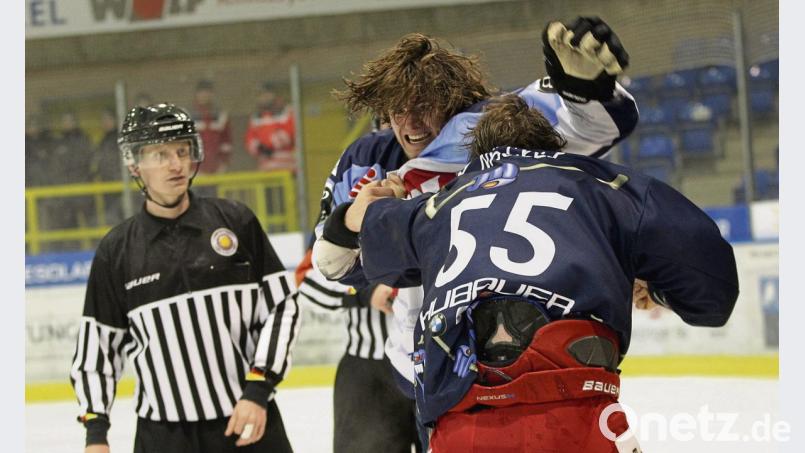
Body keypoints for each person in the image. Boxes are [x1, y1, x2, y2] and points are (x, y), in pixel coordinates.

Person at [335, 94, 739, 452]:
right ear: (551, 144)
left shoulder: (437, 206)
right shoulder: (604, 186)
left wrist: (361, 211)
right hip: (573, 417)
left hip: (463, 427)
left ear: (476, 155)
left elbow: (334, 260)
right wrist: (653, 285)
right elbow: (714, 295)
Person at [312, 17, 638, 449]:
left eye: (422, 104)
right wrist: (364, 224)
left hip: (517, 362)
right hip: (418, 367)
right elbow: (333, 260)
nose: (409, 123)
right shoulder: (367, 160)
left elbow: (592, 126)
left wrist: (583, 91)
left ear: (453, 99)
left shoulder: (499, 128)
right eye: (397, 108)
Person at [69, 103, 299, 453]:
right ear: (134, 164)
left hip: (247, 419)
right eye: (160, 154)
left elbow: (282, 307)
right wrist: (95, 432)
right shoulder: (116, 251)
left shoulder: (235, 222)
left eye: (181, 150)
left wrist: (258, 390)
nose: (176, 164)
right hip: (164, 439)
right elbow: (97, 347)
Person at [294, 241, 422, 453]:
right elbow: (306, 279)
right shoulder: (341, 210)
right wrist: (364, 291)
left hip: (442, 367)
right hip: (370, 379)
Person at [244, 82, 296, 172]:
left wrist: (268, 144)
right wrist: (260, 148)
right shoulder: (256, 118)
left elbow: (287, 136)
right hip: (265, 167)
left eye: (265, 94)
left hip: (287, 166)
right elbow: (250, 140)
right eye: (260, 95)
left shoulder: (287, 113)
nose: (262, 97)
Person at [191, 79, 233, 174]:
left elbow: (226, 142)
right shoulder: (187, 116)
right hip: (194, 169)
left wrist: (224, 163)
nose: (204, 95)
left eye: (207, 92)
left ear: (213, 94)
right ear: (196, 94)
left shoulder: (221, 116)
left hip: (216, 169)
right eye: (201, 92)